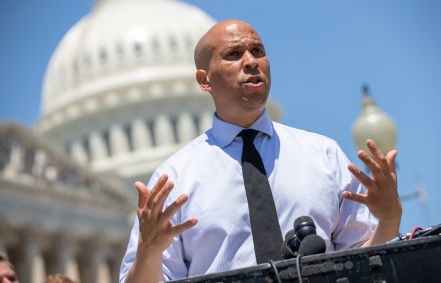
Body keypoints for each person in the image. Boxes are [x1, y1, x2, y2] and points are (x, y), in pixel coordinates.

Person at [119, 19, 402, 283]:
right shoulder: (175, 179)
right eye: (233, 54)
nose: (251, 61)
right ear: (204, 80)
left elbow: (365, 263)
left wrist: (389, 219)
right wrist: (148, 251)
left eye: (257, 51)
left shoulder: (323, 155)